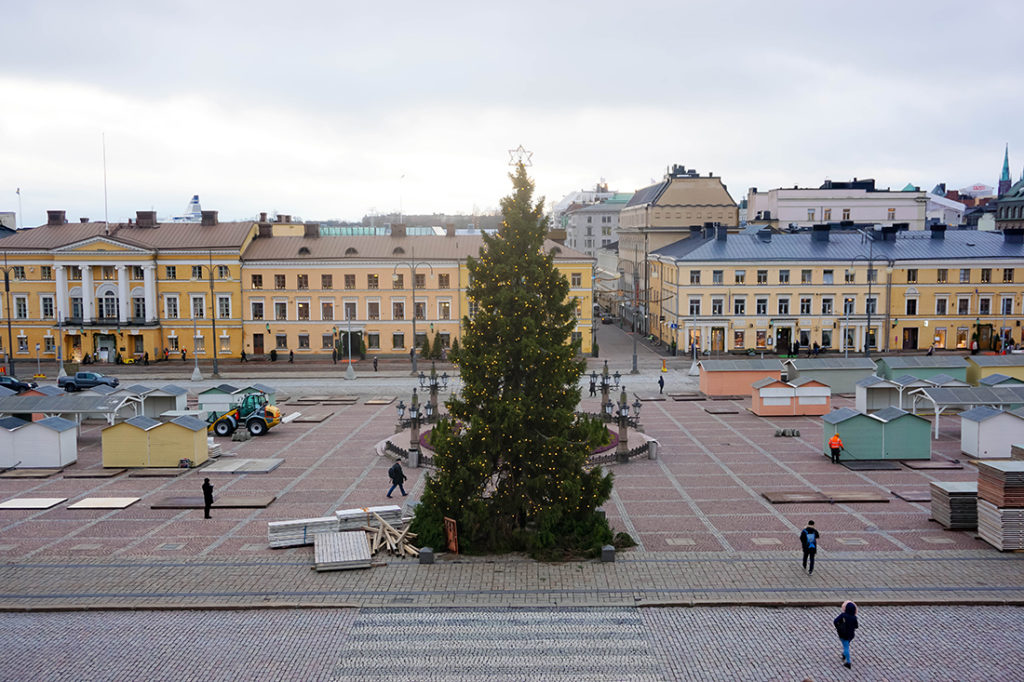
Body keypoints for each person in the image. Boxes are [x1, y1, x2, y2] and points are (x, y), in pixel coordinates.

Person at [833, 601, 859, 669]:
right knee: (846, 645)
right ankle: (844, 654)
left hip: (843, 634)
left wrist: (838, 626)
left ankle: (848, 662)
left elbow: (835, 621)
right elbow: (856, 626)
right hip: (851, 635)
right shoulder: (854, 618)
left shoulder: (843, 615)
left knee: (846, 647)